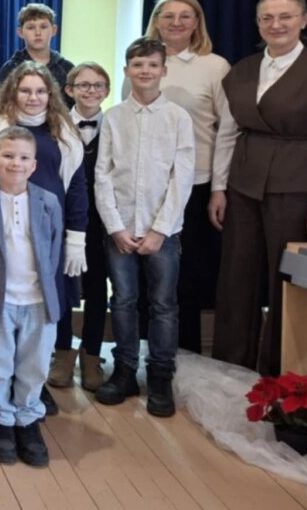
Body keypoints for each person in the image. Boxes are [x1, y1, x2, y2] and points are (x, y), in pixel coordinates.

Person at [211, 0, 307, 376]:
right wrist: (219, 188)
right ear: (258, 23)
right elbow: (228, 133)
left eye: (285, 17)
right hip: (243, 184)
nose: (276, 25)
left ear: (303, 20)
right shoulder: (242, 70)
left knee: (286, 280)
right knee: (236, 275)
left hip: (297, 186)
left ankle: (281, 374)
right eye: (267, 18)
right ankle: (231, 366)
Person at [0, 63, 88, 415]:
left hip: (48, 239)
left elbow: (76, 187)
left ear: (50, 94)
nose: (33, 97)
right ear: (13, 92)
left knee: (41, 315)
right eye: (25, 90)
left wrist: (76, 239)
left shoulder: (63, 130)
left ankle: (33, 389)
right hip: (6, 235)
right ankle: (3, 390)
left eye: (40, 91)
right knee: (4, 312)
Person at [94, 37, 195, 417]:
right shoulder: (113, 117)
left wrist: (160, 230)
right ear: (126, 70)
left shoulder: (178, 118)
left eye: (152, 65)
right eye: (137, 65)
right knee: (122, 300)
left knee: (163, 304)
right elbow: (102, 174)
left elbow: (181, 178)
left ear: (163, 70)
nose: (145, 71)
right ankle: (124, 370)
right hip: (120, 226)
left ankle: (160, 375)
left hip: (161, 229)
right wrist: (115, 226)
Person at [0, 127, 64, 467]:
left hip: (38, 300)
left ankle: (27, 418)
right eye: (8, 156)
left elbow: (54, 250)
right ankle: (0, 419)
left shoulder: (48, 202)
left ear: (34, 165)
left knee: (34, 364)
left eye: (24, 157)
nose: (15, 163)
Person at [142, 0, 230, 354]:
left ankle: (187, 356)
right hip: (148, 186)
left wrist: (219, 188)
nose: (176, 23)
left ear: (197, 23)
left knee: (188, 274)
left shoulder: (214, 66)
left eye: (185, 16)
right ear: (156, 21)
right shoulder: (143, 61)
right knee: (148, 273)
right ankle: (146, 355)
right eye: (168, 16)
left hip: (196, 184)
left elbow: (227, 131)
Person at [63, 62, 113, 391]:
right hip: (67, 217)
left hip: (104, 218)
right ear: (70, 90)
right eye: (83, 85)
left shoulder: (116, 125)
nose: (90, 91)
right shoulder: (57, 124)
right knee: (64, 285)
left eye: (97, 85)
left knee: (97, 287)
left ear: (106, 91)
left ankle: (92, 354)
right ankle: (61, 353)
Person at [0, 4, 75, 107]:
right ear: (20, 32)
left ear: (54, 30)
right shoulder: (11, 68)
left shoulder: (67, 68)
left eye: (43, 27)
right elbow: (5, 105)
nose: (38, 33)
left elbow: (73, 106)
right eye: (31, 28)